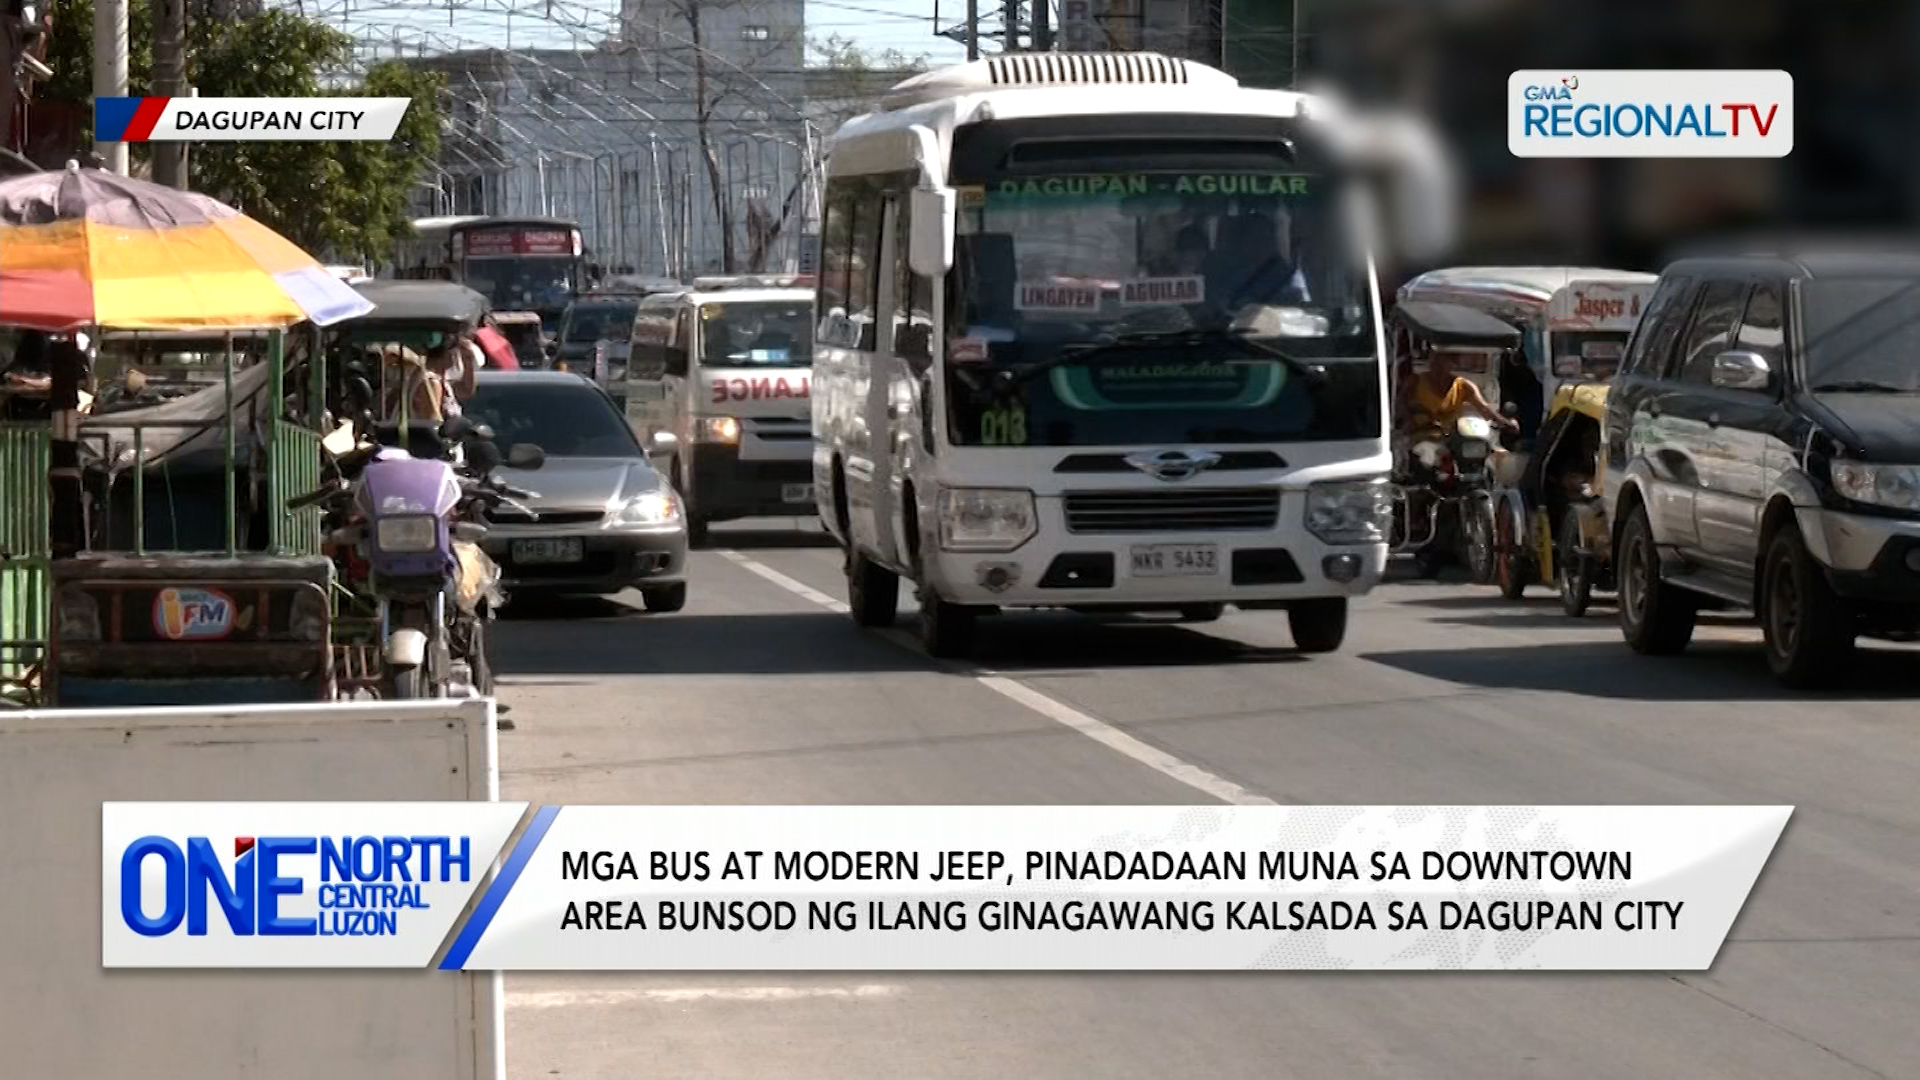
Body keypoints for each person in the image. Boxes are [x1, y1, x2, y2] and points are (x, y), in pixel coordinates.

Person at [1403, 347, 1518, 441]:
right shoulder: (1415, 381)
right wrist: (1410, 420)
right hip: (1419, 436)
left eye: (1442, 362)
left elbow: (1485, 409)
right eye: (1434, 361)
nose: (1436, 366)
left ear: (1452, 364)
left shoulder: (1464, 386)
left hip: (1449, 439)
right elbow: (1401, 405)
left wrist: (1506, 423)